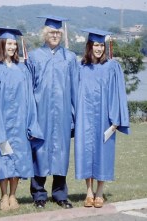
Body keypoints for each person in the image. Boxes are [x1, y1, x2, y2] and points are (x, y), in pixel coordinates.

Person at [0, 27, 44, 211]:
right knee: (3, 159)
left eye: (13, 44)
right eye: (8, 43)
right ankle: (3, 196)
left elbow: (30, 99)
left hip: (20, 123)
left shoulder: (22, 70)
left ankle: (13, 195)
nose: (12, 46)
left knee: (18, 159)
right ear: (2, 45)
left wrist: (31, 124)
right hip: (1, 123)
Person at [27, 15, 79, 209]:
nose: (54, 35)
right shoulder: (34, 57)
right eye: (51, 32)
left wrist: (75, 116)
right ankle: (38, 194)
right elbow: (29, 89)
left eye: (58, 32)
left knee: (61, 153)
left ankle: (60, 194)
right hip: (40, 114)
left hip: (63, 114)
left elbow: (75, 88)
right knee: (39, 152)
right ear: (44, 34)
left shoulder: (71, 57)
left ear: (62, 34)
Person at [75, 28, 130, 208]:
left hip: (105, 119)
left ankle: (100, 192)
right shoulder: (81, 67)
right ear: (89, 47)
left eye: (101, 45)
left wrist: (116, 120)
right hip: (85, 118)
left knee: (102, 154)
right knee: (86, 153)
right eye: (95, 45)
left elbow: (119, 93)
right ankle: (89, 192)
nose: (98, 49)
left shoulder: (112, 66)